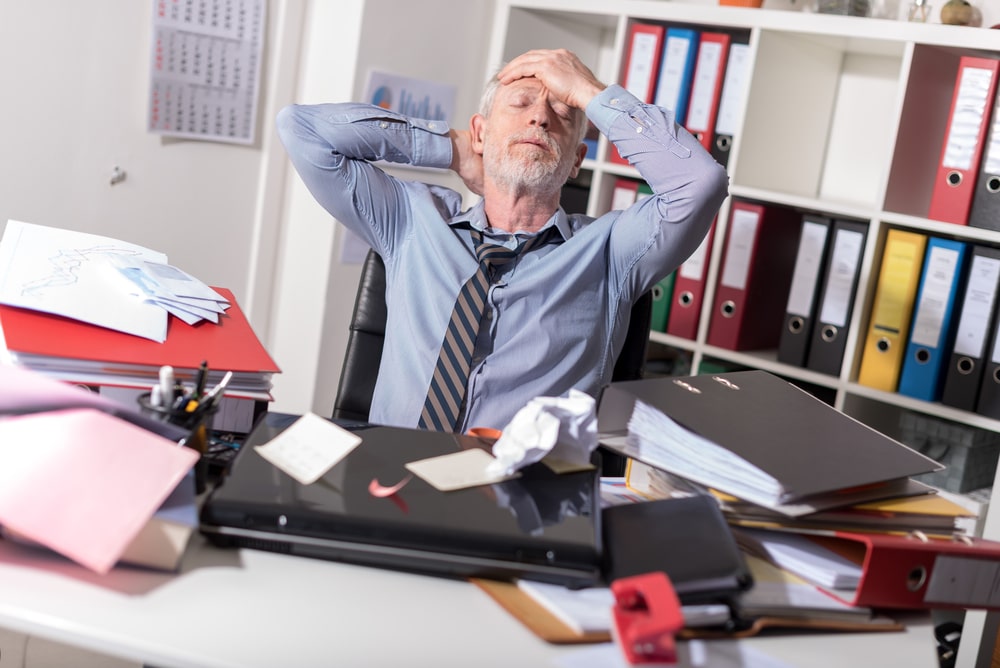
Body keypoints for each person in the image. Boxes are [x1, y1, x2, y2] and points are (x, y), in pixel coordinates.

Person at [276, 48, 728, 433]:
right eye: (521, 103)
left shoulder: (613, 250)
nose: (540, 116)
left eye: (563, 112)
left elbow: (701, 183)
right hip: (391, 483)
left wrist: (590, 92)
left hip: (521, 502)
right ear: (480, 131)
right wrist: (451, 149)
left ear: (576, 162)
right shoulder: (412, 220)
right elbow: (302, 129)